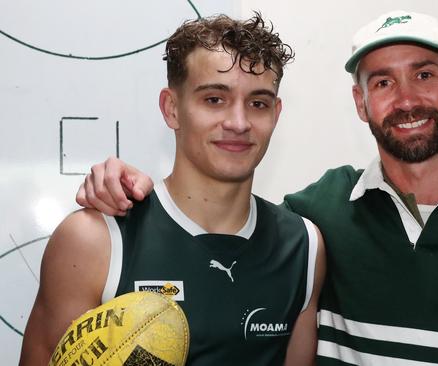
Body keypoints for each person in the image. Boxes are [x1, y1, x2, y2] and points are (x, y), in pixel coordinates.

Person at [73, 10, 438, 366]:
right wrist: (125, 185)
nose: (407, 98)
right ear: (360, 102)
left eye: (424, 73)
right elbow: (218, 210)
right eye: (382, 82)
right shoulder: (321, 220)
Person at [20, 13, 325, 366]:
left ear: (276, 113)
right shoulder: (95, 240)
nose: (239, 123)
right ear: (172, 108)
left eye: (258, 103)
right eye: (214, 99)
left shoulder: (304, 247)